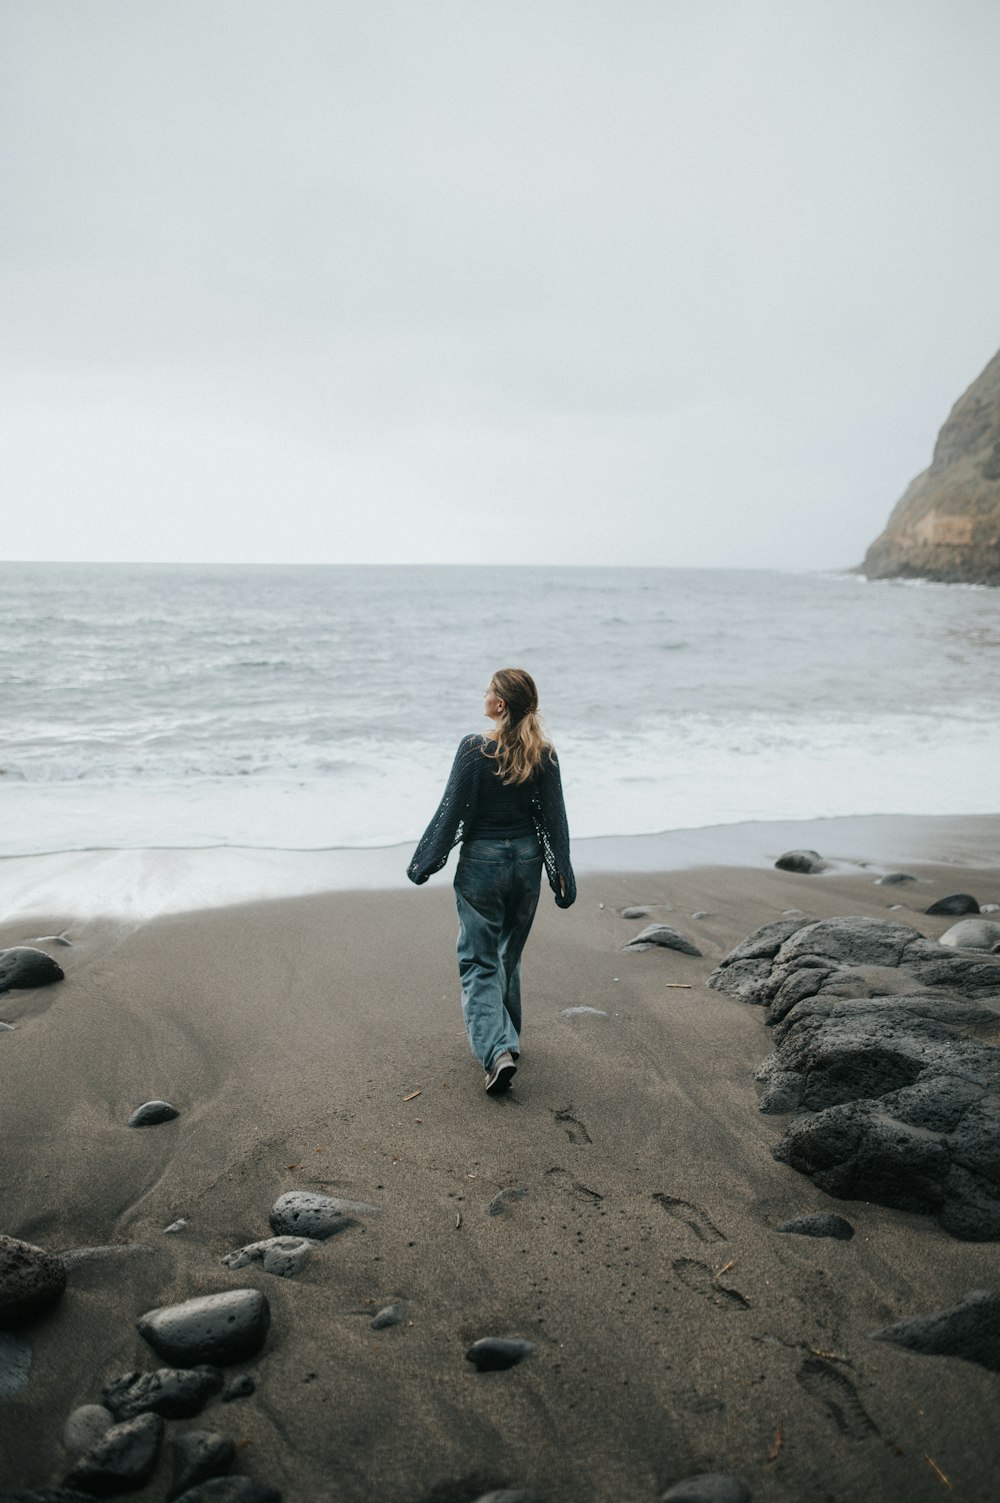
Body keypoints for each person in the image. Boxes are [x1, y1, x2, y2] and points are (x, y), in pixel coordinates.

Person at [407, 668, 576, 1095]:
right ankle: (509, 1042)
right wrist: (561, 873)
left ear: (500, 705)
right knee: (507, 955)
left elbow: (452, 812)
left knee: (478, 962)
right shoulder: (545, 754)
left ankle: (497, 1052)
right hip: (526, 863)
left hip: (482, 862)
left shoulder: (473, 750)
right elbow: (555, 821)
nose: (483, 696)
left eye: (488, 692)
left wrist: (424, 861)